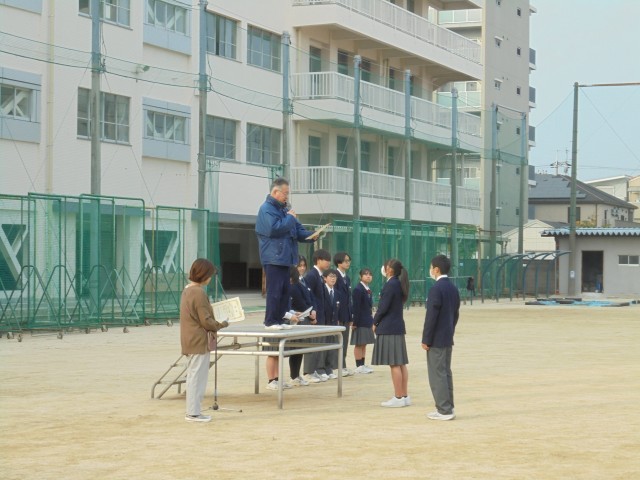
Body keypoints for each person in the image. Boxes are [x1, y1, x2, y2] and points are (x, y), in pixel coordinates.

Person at [255, 178, 318, 390]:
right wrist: (290, 218)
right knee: (274, 290)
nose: (287, 196)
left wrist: (311, 236)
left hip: (286, 258)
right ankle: (270, 320)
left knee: (284, 291)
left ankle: (280, 317)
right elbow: (274, 229)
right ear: (275, 192)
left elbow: (296, 231)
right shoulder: (266, 209)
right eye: (285, 193)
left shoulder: (285, 210)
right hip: (273, 257)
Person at [180, 259, 229, 423]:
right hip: (199, 340)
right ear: (204, 275)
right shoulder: (199, 293)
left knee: (193, 376)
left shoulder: (187, 290)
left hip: (189, 339)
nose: (210, 278)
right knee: (197, 378)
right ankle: (193, 413)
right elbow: (206, 321)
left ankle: (193, 411)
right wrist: (222, 324)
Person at [422, 254, 460, 421]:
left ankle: (444, 410)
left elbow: (431, 316)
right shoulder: (453, 288)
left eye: (431, 267)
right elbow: (455, 314)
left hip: (436, 339)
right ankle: (448, 407)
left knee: (437, 374)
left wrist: (426, 339)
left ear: (436, 270)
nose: (430, 270)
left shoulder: (436, 289)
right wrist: (450, 331)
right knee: (445, 373)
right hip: (447, 336)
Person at [372, 259, 411, 408]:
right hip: (397, 327)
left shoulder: (390, 284)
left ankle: (398, 397)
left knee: (394, 363)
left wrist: (375, 322)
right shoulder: (398, 283)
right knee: (401, 363)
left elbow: (383, 307)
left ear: (389, 269)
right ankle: (404, 396)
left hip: (389, 328)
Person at [303, 249, 332, 382]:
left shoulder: (320, 275)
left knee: (318, 344)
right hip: (313, 316)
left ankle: (314, 370)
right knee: (312, 343)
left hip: (320, 315)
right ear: (318, 260)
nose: (328, 263)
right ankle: (308, 372)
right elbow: (308, 296)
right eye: (326, 260)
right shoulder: (312, 275)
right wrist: (312, 313)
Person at [288, 261, 317, 386]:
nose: (302, 268)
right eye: (299, 266)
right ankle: (293, 376)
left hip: (305, 315)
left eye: (304, 265)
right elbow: (299, 301)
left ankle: (297, 375)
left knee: (300, 348)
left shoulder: (303, 280)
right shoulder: (293, 285)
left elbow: (311, 297)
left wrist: (313, 311)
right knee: (295, 347)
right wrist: (309, 314)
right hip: (297, 318)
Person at [351, 268, 375, 374]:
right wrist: (355, 322)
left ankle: (363, 364)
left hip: (367, 320)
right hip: (360, 321)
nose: (368, 276)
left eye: (370, 274)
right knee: (359, 344)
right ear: (360, 277)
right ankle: (358, 366)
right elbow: (356, 307)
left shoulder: (367, 289)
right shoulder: (358, 289)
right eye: (365, 274)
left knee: (364, 343)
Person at [334, 251, 354, 376]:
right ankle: (337, 367)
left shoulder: (347, 278)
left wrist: (350, 316)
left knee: (345, 341)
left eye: (349, 261)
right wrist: (336, 316)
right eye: (345, 261)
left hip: (346, 315)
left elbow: (348, 298)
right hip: (338, 315)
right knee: (337, 341)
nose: (348, 263)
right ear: (339, 262)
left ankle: (343, 365)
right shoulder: (334, 275)